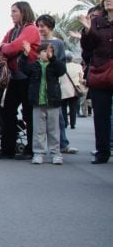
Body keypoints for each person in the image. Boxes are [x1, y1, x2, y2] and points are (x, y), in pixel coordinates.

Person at [0, 1, 40, 160]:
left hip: (27, 77)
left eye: (14, 11)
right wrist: (4, 48)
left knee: (29, 114)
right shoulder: (12, 31)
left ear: (23, 12)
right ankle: (8, 148)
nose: (11, 14)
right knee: (7, 111)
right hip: (14, 77)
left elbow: (13, 47)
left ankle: (31, 149)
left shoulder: (31, 29)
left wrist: (4, 48)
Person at [35, 14, 78, 155]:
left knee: (58, 117)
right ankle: (38, 148)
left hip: (53, 84)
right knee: (38, 120)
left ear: (50, 27)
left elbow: (60, 64)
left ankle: (62, 144)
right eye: (38, 26)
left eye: (43, 26)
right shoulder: (36, 41)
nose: (40, 29)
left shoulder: (58, 43)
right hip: (37, 83)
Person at [80, 0, 113, 164]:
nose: (108, 0)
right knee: (101, 116)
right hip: (101, 72)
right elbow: (87, 47)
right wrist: (87, 31)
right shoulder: (97, 21)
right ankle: (102, 152)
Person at [19, 42, 66, 165]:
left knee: (54, 130)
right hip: (38, 103)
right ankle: (38, 153)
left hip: (53, 102)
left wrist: (53, 58)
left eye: (50, 51)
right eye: (45, 51)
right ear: (38, 54)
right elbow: (22, 67)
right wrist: (25, 54)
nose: (48, 53)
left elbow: (62, 70)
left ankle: (56, 153)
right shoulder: (34, 65)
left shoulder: (55, 65)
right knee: (38, 130)